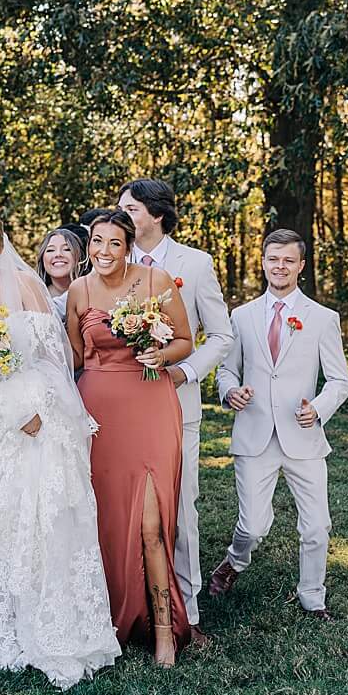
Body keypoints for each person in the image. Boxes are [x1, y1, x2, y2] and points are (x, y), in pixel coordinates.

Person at [0, 210, 118, 688]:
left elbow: (54, 356)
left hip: (43, 414)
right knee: (4, 517)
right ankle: (7, 620)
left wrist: (34, 406)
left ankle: (57, 620)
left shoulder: (24, 284)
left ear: (0, 245)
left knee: (51, 513)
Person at [69, 208, 195, 664]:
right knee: (106, 520)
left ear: (128, 247)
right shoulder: (79, 290)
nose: (104, 251)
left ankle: (164, 630)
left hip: (150, 406)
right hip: (99, 413)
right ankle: (111, 618)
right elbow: (75, 357)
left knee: (150, 524)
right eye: (97, 241)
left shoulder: (156, 281)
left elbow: (185, 341)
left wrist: (163, 356)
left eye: (114, 243)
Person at [210, 229, 348, 620]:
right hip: (254, 434)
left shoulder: (322, 319)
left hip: (303, 435)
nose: (280, 266)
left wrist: (318, 409)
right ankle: (235, 561)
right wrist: (230, 391)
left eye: (289, 260)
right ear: (263, 262)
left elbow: (340, 381)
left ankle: (312, 597)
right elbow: (226, 370)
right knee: (253, 526)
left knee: (317, 525)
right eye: (273, 259)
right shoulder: (241, 316)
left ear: (301, 265)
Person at [117, 179, 233, 641]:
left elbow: (221, 336)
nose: (122, 215)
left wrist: (185, 372)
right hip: (123, 408)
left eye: (131, 209)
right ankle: (132, 604)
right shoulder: (113, 259)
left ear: (157, 215)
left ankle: (191, 614)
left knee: (182, 507)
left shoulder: (196, 264)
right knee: (125, 510)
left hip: (176, 402)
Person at [36, 226, 87, 324]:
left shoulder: (91, 291)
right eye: (51, 250)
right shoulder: (34, 296)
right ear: (42, 259)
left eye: (67, 249)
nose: (58, 254)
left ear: (79, 257)